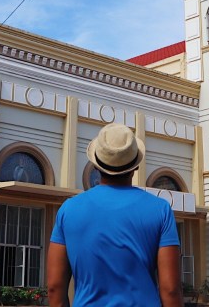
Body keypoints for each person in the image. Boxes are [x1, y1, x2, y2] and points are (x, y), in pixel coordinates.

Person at [47, 123, 182, 307]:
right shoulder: (161, 210)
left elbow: (55, 288)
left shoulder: (68, 209)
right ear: (135, 167)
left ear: (96, 166)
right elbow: (170, 290)